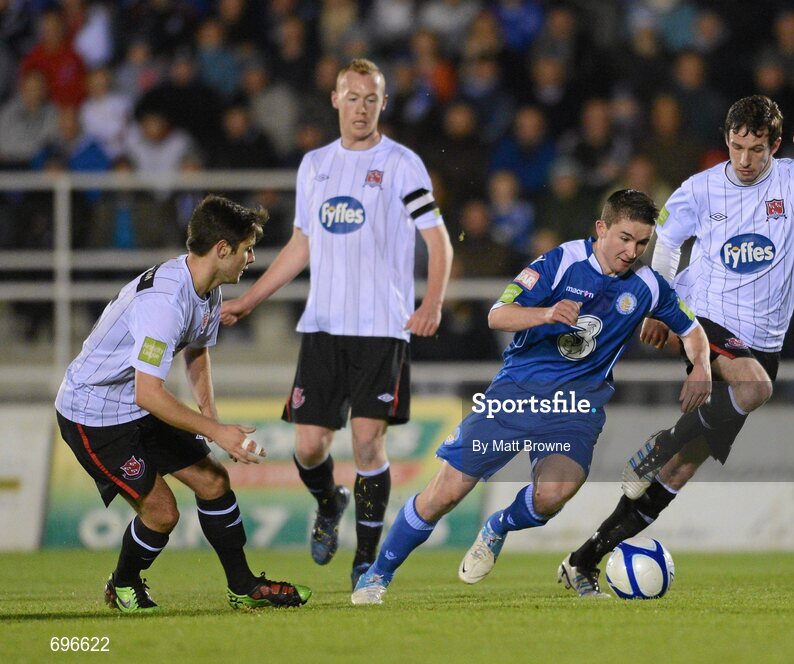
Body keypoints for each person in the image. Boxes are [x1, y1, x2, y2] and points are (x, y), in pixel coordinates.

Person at [559, 95, 794, 597]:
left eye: (756, 149)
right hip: (704, 316)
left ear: (775, 144)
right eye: (735, 147)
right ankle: (664, 439)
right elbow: (664, 244)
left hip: (763, 339)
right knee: (754, 388)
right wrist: (660, 307)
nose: (744, 160)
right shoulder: (702, 188)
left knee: (681, 470)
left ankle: (583, 559)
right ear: (726, 140)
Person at [351, 189, 712, 605]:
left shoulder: (649, 286)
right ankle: (377, 575)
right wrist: (546, 313)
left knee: (553, 495)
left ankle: (498, 526)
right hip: (516, 394)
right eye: (625, 238)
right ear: (602, 229)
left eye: (642, 243)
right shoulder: (560, 263)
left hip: (575, 408)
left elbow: (691, 330)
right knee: (444, 495)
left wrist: (700, 366)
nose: (632, 251)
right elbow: (496, 315)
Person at [220, 58, 453, 589]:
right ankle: (330, 501)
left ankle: (366, 559)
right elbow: (301, 244)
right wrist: (251, 299)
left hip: (382, 329)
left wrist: (432, 303)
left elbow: (436, 240)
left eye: (371, 99)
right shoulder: (314, 165)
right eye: (352, 97)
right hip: (324, 326)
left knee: (369, 444)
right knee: (308, 447)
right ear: (335, 100)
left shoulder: (402, 164)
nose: (361, 108)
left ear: (383, 103)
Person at [55, 195, 311, 613]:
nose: (251, 258)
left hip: (134, 405)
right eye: (247, 249)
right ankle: (122, 585)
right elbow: (149, 393)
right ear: (222, 249)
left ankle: (243, 587)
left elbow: (195, 352)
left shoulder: (205, 287)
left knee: (213, 482)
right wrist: (218, 432)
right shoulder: (164, 303)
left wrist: (210, 417)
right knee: (162, 514)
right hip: (93, 413)